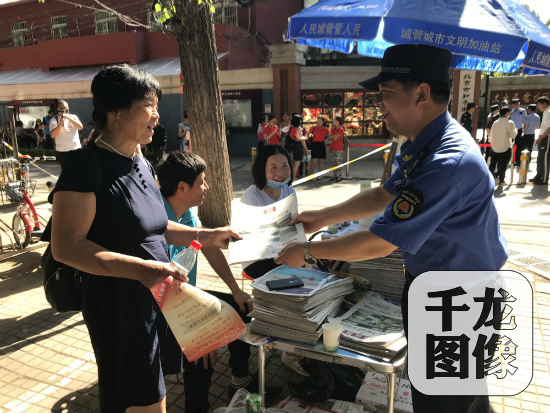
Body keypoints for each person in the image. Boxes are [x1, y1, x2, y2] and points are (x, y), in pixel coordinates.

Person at [275, 44, 507, 413]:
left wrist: (306, 252)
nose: (379, 105)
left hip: (458, 303)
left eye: (386, 94)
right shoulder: (425, 145)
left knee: (444, 402)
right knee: (459, 397)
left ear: (422, 94)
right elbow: (383, 195)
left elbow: (378, 244)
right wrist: (321, 218)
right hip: (440, 290)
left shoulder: (445, 162)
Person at [49, 64, 240, 413]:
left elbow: (156, 226)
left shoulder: (143, 163)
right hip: (119, 305)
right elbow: (66, 247)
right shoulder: (86, 165)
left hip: (158, 295)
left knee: (155, 393)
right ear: (116, 112)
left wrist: (206, 235)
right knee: (143, 401)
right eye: (148, 105)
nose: (156, 115)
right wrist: (142, 269)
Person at [155, 151, 282, 409]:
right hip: (162, 308)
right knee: (202, 353)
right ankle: (197, 407)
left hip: (187, 296)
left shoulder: (188, 211)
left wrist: (236, 290)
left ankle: (240, 380)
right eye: (202, 181)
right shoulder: (157, 219)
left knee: (241, 308)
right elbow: (160, 287)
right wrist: (200, 329)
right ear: (182, 187)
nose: (207, 187)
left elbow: (209, 246)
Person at [239, 144, 310, 377]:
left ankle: (291, 348)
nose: (280, 172)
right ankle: (285, 345)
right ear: (262, 169)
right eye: (273, 168)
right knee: (299, 283)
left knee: (311, 273)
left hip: (282, 252)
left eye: (284, 166)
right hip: (257, 258)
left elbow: (294, 228)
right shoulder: (252, 196)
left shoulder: (289, 191)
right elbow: (254, 243)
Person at [49, 100, 83, 170]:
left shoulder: (73, 117)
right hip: (63, 151)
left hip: (75, 149)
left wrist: (68, 117)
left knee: (78, 170)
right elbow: (52, 135)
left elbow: (80, 127)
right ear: (57, 109)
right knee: (66, 171)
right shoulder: (54, 119)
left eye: (65, 108)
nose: (63, 110)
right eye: (61, 108)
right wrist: (60, 123)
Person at [489, 107, 516, 186]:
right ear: (507, 113)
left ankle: (490, 179)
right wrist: (516, 131)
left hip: (495, 147)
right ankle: (501, 180)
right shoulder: (510, 123)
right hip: (505, 146)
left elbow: (491, 136)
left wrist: (492, 143)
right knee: (503, 165)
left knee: (493, 165)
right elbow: (512, 135)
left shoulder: (495, 122)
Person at [531, 96, 550, 185]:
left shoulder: (549, 112)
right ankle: (539, 175)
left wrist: (540, 138)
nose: (538, 107)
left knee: (545, 158)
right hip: (542, 137)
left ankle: (544, 179)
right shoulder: (545, 112)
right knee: (540, 158)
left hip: (546, 138)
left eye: (539, 105)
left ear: (544, 104)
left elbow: (549, 128)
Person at [287, 114, 309, 179]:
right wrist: (305, 138)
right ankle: (293, 178)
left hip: (295, 147)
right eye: (299, 121)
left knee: (296, 164)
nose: (300, 122)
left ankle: (293, 178)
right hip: (296, 147)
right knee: (296, 164)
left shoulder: (291, 128)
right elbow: (299, 138)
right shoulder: (293, 129)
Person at [308, 116, 329, 180]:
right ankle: (311, 175)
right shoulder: (313, 127)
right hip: (314, 144)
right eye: (318, 121)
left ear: (323, 122)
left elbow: (328, 136)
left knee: (321, 161)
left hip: (321, 144)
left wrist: (325, 141)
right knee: (314, 162)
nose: (319, 122)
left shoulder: (325, 129)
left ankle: (319, 175)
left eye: (320, 121)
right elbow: (308, 133)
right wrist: (307, 137)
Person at [510, 99, 527, 166]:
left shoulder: (522, 111)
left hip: (519, 130)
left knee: (518, 145)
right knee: (510, 145)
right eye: (515, 104)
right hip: (511, 130)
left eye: (518, 104)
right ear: (512, 105)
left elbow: (525, 119)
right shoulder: (510, 112)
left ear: (519, 104)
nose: (516, 106)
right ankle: (510, 159)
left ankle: (517, 160)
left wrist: (524, 127)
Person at [327, 116, 344, 183]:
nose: (333, 121)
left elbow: (335, 138)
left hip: (338, 149)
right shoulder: (333, 129)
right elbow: (329, 136)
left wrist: (332, 137)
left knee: (338, 162)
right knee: (334, 163)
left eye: (334, 120)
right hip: (332, 148)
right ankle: (335, 175)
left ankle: (340, 175)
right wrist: (331, 137)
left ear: (338, 121)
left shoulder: (341, 129)